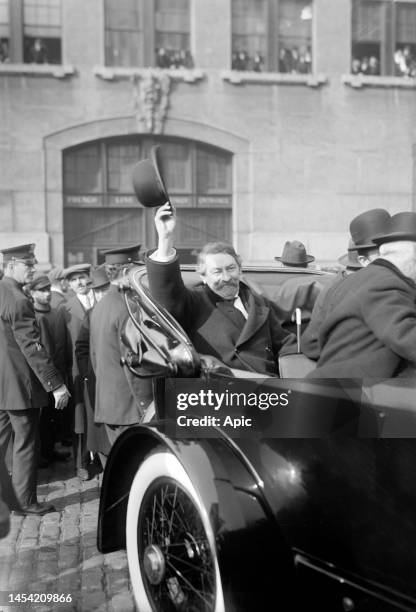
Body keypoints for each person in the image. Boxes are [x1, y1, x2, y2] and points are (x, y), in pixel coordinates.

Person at [146, 204, 292, 375]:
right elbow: (167, 296)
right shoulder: (195, 303)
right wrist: (165, 239)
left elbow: (283, 342)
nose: (226, 278)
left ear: (240, 269)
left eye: (230, 269)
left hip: (269, 391)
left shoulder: (259, 302)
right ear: (203, 276)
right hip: (222, 391)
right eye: (217, 272)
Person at [0, 244, 69, 515]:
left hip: (3, 384)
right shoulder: (18, 300)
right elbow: (32, 347)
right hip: (19, 386)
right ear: (11, 265)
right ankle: (25, 501)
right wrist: (56, 384)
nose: (33, 269)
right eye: (28, 265)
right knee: (26, 442)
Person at [309, 212, 416, 379]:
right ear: (412, 258)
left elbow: (313, 343)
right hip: (353, 393)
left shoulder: (361, 279)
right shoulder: (386, 283)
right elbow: (406, 337)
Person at [301, 208, 391, 361]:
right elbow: (313, 343)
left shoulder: (383, 285)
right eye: (384, 253)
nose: (391, 259)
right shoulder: (341, 290)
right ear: (363, 260)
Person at [90, 245, 153, 450]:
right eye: (137, 269)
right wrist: (147, 405)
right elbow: (134, 363)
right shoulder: (129, 307)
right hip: (131, 407)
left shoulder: (100, 306)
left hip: (110, 403)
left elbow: (94, 356)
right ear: (126, 271)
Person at [27, 274, 71, 466]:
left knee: (54, 415)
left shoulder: (55, 313)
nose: (47, 294)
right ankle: (42, 454)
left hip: (59, 369)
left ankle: (50, 450)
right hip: (44, 375)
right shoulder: (34, 316)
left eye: (48, 290)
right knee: (43, 417)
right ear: (32, 293)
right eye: (41, 291)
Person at [59, 263, 94, 480]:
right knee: (80, 417)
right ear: (69, 284)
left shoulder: (98, 301)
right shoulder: (65, 309)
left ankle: (98, 456)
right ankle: (80, 463)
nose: (80, 282)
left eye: (83, 277)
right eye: (75, 280)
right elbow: (61, 344)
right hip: (77, 370)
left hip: (100, 368)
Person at [75, 265, 111, 469]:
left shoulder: (126, 308)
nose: (101, 294)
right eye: (96, 290)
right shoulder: (91, 314)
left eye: (104, 289)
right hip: (96, 384)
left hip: (120, 385)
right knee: (100, 435)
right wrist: (88, 372)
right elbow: (81, 347)